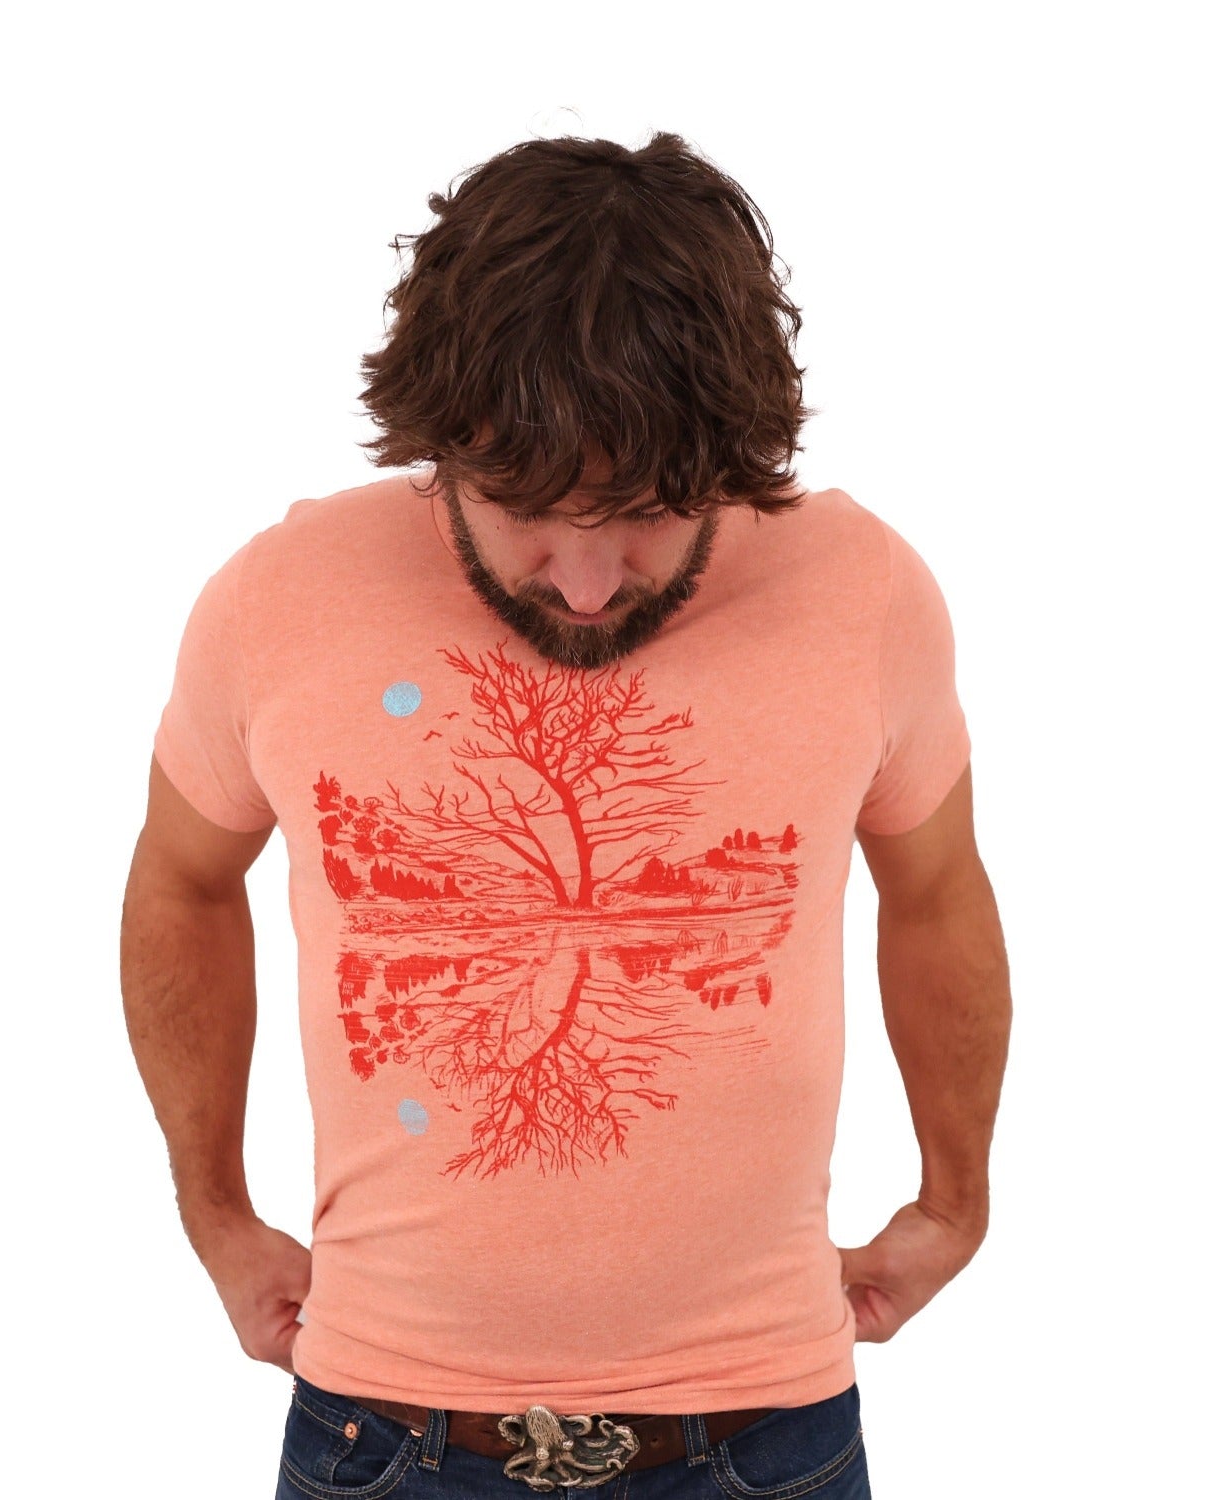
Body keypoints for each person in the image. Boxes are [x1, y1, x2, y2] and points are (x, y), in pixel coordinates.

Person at [121, 130, 1012, 1498]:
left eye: (651, 514)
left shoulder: (867, 591)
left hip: (767, 1440)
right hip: (383, 1440)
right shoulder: (280, 597)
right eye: (529, 510)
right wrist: (214, 1211)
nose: (589, 586)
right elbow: (183, 883)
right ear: (441, 438)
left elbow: (938, 891)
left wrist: (957, 1196)